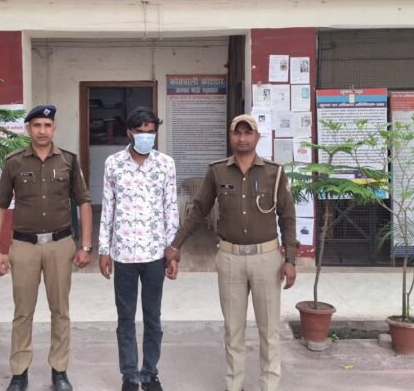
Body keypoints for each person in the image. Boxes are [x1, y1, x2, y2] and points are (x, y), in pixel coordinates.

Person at [165, 115, 298, 391]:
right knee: (233, 330)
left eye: (248, 133)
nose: (242, 138)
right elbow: (198, 211)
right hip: (229, 259)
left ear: (257, 137)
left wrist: (290, 259)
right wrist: (176, 245)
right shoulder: (217, 172)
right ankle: (234, 385)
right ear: (230, 136)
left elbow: (287, 217)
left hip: (266, 259)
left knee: (269, 331)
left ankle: (269, 385)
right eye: (237, 133)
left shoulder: (274, 172)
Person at [0, 104, 93, 391]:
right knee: (23, 311)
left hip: (60, 245)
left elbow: (83, 202)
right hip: (24, 246)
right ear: (28, 129)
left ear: (54, 129)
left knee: (60, 311)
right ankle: (19, 372)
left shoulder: (69, 161)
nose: (42, 131)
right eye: (37, 125)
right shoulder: (14, 162)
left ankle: (59, 371)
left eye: (47, 126)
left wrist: (85, 245)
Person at [98, 107, 178, 391]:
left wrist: (172, 249)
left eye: (151, 131)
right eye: (141, 131)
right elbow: (108, 207)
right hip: (123, 254)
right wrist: (104, 250)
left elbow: (171, 208)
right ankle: (130, 374)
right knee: (125, 318)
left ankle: (150, 372)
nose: (146, 136)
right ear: (130, 132)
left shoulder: (166, 164)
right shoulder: (113, 164)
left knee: (153, 318)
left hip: (155, 254)